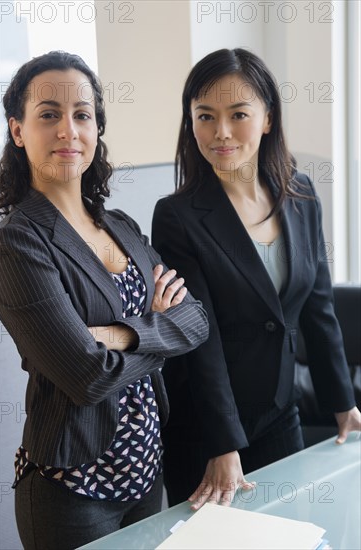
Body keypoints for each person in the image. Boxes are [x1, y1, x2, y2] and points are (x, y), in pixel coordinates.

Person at [0, 51, 208, 550]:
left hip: (147, 472)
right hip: (73, 489)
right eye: (49, 114)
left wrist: (124, 334)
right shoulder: (17, 242)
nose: (68, 129)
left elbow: (196, 320)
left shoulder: (122, 228)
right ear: (19, 130)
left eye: (82, 115)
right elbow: (86, 377)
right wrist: (158, 328)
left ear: (96, 130)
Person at [152, 47, 361, 510]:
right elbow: (198, 338)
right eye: (204, 116)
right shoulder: (178, 217)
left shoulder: (301, 193)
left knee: (288, 530)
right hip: (206, 426)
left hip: (278, 410)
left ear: (267, 118)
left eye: (238, 114)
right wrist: (222, 444)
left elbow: (317, 309)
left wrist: (341, 403)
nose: (220, 132)